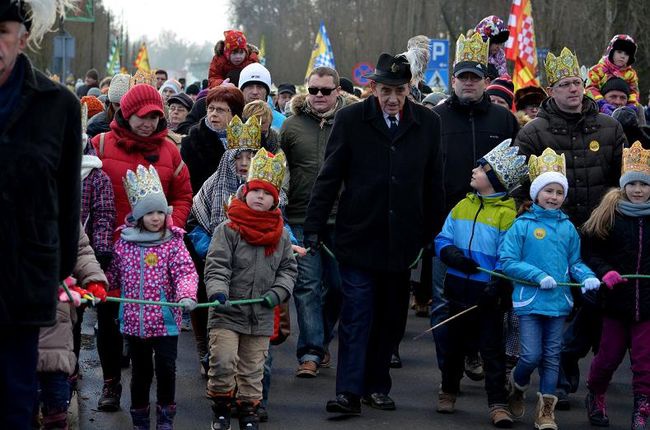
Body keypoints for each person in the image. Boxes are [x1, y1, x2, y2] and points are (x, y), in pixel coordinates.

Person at [303, 52, 445, 415]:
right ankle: (348, 392)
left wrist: (431, 233)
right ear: (373, 88)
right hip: (358, 237)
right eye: (386, 90)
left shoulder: (428, 122)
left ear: (409, 89)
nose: (392, 98)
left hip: (403, 242)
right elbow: (329, 176)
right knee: (356, 316)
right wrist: (313, 228)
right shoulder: (351, 119)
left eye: (399, 91)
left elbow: (434, 183)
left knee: (391, 317)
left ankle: (377, 385)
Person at [514, 47, 627, 409]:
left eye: (577, 82)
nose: (574, 89)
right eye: (564, 84)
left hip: (600, 234)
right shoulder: (534, 132)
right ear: (551, 90)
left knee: (594, 302)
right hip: (553, 236)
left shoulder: (610, 128)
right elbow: (518, 183)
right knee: (559, 306)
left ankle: (569, 357)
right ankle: (561, 379)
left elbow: (625, 179)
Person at [0, 2, 81, 428]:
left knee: (16, 403)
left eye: (2, 30)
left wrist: (57, 270)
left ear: (22, 36)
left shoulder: (58, 106)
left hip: (22, 285)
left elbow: (68, 200)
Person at [91, 83, 193, 412]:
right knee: (108, 318)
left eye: (154, 117)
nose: (147, 122)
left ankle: (152, 392)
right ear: (126, 113)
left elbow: (182, 194)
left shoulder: (170, 152)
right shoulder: (101, 144)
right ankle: (111, 382)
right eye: (141, 116)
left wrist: (170, 227)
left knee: (150, 323)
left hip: (154, 253)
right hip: (110, 249)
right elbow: (84, 187)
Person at [432, 31, 519, 381]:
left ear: (486, 80)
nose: (468, 83)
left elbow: (518, 171)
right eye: (462, 77)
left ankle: (478, 356)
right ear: (453, 80)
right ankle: (448, 372)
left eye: (475, 77)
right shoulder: (434, 118)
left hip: (493, 229)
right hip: (447, 225)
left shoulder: (504, 120)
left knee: (490, 302)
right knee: (444, 302)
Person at [501, 148, 600, 430]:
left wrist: (587, 276)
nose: (554, 197)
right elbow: (508, 262)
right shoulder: (522, 225)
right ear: (536, 194)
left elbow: (575, 262)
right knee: (531, 355)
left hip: (558, 302)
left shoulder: (568, 227)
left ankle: (546, 412)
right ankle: (517, 385)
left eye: (559, 192)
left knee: (552, 357)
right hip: (530, 300)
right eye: (548, 191)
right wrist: (537, 275)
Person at [435, 139, 528, 427]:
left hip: (487, 294)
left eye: (482, 167)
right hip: (457, 287)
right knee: (453, 346)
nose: (474, 170)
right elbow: (442, 238)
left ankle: (498, 403)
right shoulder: (462, 205)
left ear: (495, 179)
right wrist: (450, 253)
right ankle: (448, 390)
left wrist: (497, 286)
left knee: (491, 349)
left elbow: (508, 255)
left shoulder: (507, 214)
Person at [204, 148, 297, 430]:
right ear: (245, 193)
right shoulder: (228, 228)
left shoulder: (280, 235)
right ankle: (221, 407)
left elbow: (288, 270)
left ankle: (248, 412)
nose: (260, 197)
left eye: (266, 194)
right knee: (222, 360)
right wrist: (218, 292)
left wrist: (277, 294)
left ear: (275, 201)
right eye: (255, 191)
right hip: (227, 311)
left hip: (260, 313)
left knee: (252, 368)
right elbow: (217, 265)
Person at [107, 164, 198, 429]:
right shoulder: (124, 244)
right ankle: (140, 417)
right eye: (150, 212)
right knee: (141, 373)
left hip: (165, 320)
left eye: (160, 211)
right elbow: (112, 275)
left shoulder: (172, 242)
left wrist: (186, 295)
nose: (156, 217)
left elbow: (185, 272)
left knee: (167, 369)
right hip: (135, 321)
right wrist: (96, 287)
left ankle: (166, 416)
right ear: (138, 215)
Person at [281, 66, 356, 377]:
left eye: (326, 90)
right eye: (314, 90)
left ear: (338, 90)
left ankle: (322, 337)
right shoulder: (290, 126)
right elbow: (278, 169)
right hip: (301, 216)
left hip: (343, 219)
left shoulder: (352, 123)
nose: (319, 96)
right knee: (307, 286)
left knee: (339, 286)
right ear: (306, 90)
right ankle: (310, 352)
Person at [581, 142, 650, 428]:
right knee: (607, 357)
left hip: (647, 304)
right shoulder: (610, 215)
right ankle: (595, 392)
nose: (638, 190)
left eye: (644, 185)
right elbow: (591, 252)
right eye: (632, 184)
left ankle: (642, 407)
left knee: (645, 362)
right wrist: (605, 271)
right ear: (623, 186)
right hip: (615, 303)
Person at [36, 228, 108, 430]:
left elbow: (81, 250)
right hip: (17, 317)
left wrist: (93, 279)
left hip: (56, 321)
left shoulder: (60, 206)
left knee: (57, 403)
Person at [586, 34, 639, 108]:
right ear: (611, 52)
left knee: (639, 109)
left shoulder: (631, 74)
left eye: (626, 54)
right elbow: (590, 88)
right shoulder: (598, 69)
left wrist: (631, 104)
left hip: (622, 106)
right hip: (599, 105)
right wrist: (601, 103)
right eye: (619, 52)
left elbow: (634, 92)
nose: (622, 56)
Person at [238, 62, 286, 131]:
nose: (255, 92)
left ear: (267, 92)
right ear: (241, 90)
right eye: (250, 86)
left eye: (260, 87)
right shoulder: (231, 117)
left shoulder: (282, 121)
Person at [87, 73, 130, 138]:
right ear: (110, 102)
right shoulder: (95, 125)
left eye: (125, 105)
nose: (121, 109)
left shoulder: (139, 125)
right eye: (117, 105)